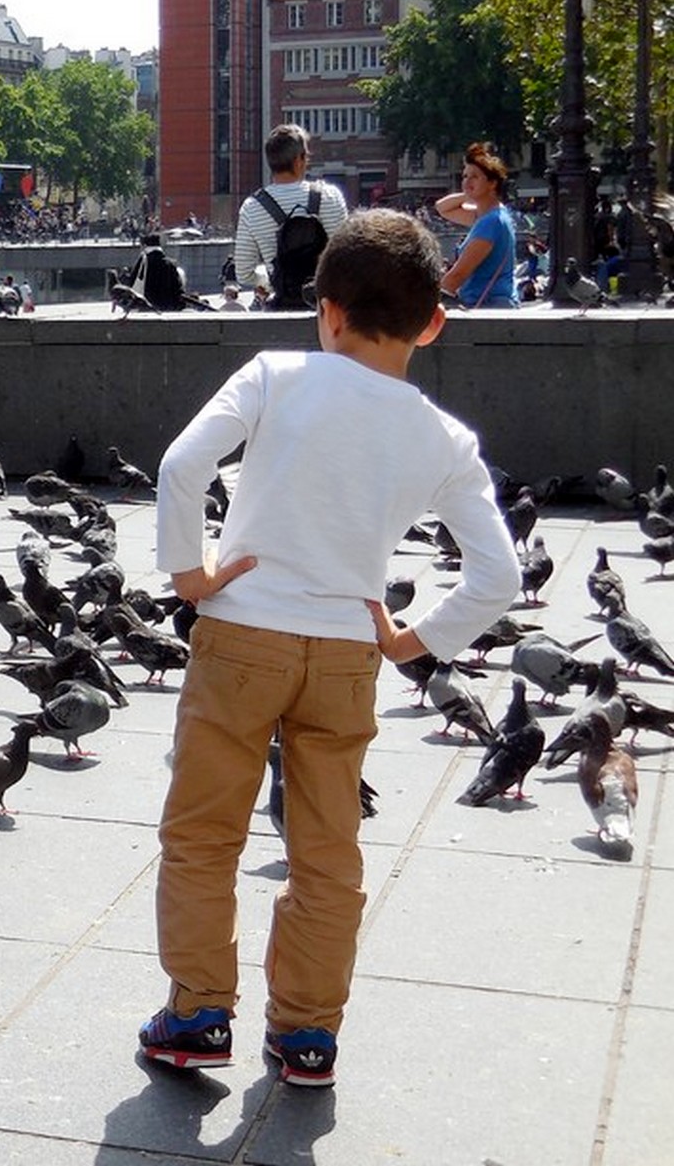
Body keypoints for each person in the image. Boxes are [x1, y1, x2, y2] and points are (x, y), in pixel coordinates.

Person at [142, 211, 519, 1089]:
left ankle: (198, 1011)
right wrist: (415, 639)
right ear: (434, 322)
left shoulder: (276, 374)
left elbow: (179, 467)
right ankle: (307, 1032)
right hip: (349, 652)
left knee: (204, 833)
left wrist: (187, 572)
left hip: (241, 634)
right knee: (327, 847)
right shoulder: (445, 438)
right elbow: (495, 575)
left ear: (328, 309)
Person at [235, 124, 349, 309]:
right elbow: (346, 259)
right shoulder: (330, 196)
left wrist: (269, 280)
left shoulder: (252, 207)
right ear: (298, 160)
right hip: (328, 307)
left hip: (283, 307)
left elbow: (243, 272)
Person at [434, 142, 518, 308]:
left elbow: (458, 275)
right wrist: (469, 194)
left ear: (492, 183)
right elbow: (442, 207)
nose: (466, 181)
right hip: (494, 304)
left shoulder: (490, 222)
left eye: (474, 176)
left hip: (488, 307)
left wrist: (426, 303)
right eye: (465, 176)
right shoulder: (490, 215)